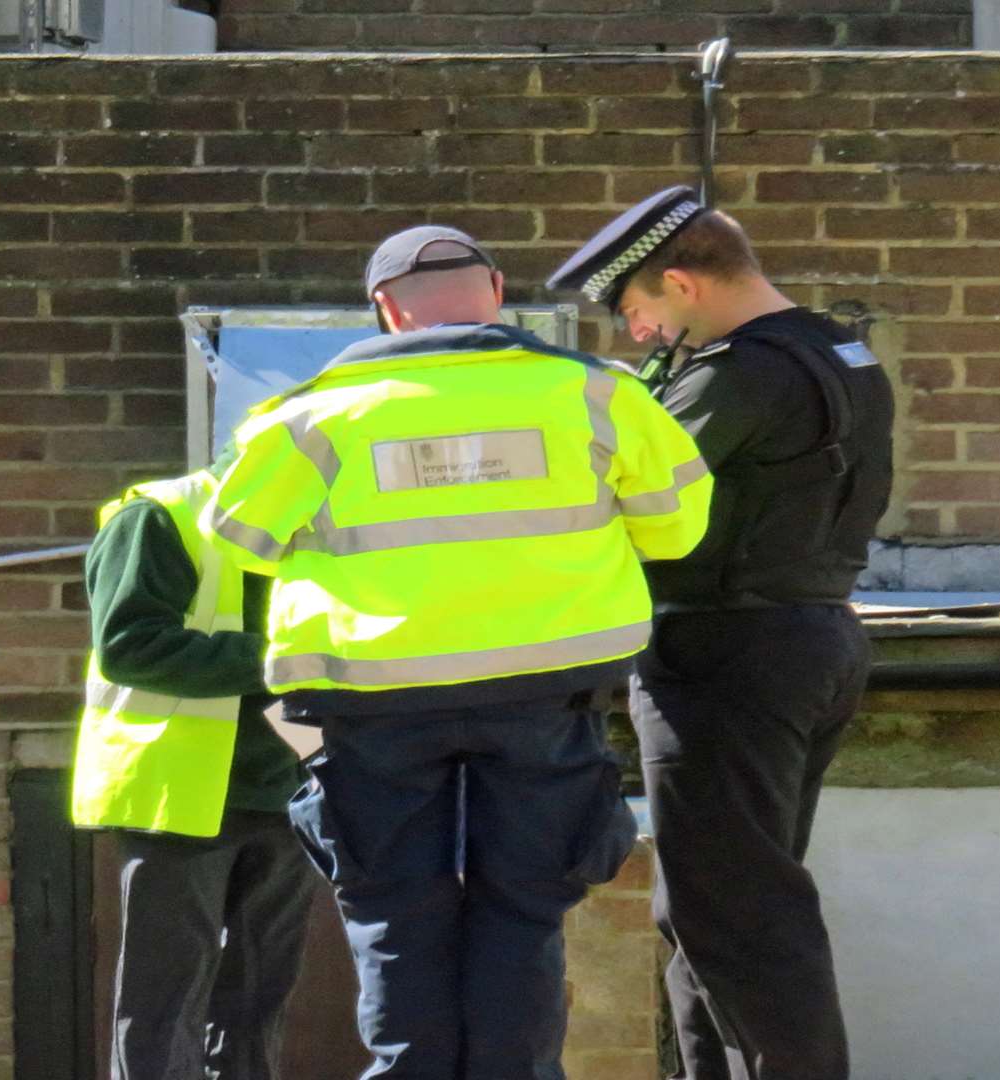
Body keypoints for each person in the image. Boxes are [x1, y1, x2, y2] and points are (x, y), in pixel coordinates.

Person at [201, 225, 713, 1079]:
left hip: (375, 703)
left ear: (385, 309)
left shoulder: (310, 415)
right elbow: (679, 526)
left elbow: (240, 538)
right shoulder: (599, 396)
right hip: (543, 698)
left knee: (398, 918)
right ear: (497, 290)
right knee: (523, 915)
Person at [549, 185, 896, 1080]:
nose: (637, 335)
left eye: (636, 310)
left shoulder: (738, 373)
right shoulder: (839, 349)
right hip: (811, 637)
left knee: (739, 914)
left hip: (725, 658)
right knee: (700, 908)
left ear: (681, 282)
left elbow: (627, 495)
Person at [72, 465, 317, 1079]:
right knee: (165, 1005)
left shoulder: (319, 526)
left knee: (257, 1005)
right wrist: (281, 660)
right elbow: (130, 645)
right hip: (177, 796)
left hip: (287, 789)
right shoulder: (161, 515)